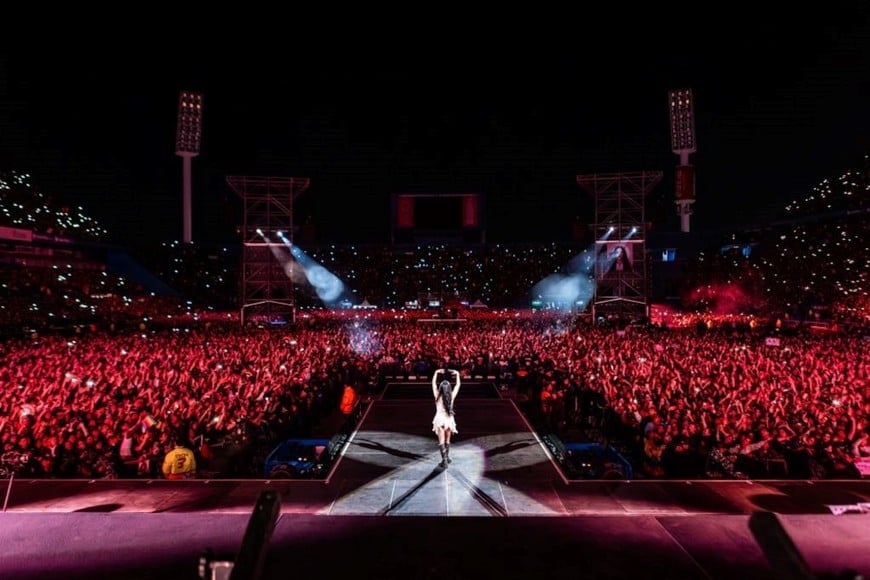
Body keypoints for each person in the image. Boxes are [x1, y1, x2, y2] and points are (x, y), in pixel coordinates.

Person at [432, 368, 461, 468]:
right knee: (447, 440)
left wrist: (436, 372)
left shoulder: (437, 396)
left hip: (440, 420)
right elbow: (458, 385)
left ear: (440, 388)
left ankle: (444, 460)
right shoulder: (451, 396)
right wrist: (457, 374)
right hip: (449, 420)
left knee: (441, 442)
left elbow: (433, 384)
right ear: (449, 388)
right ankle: (447, 457)